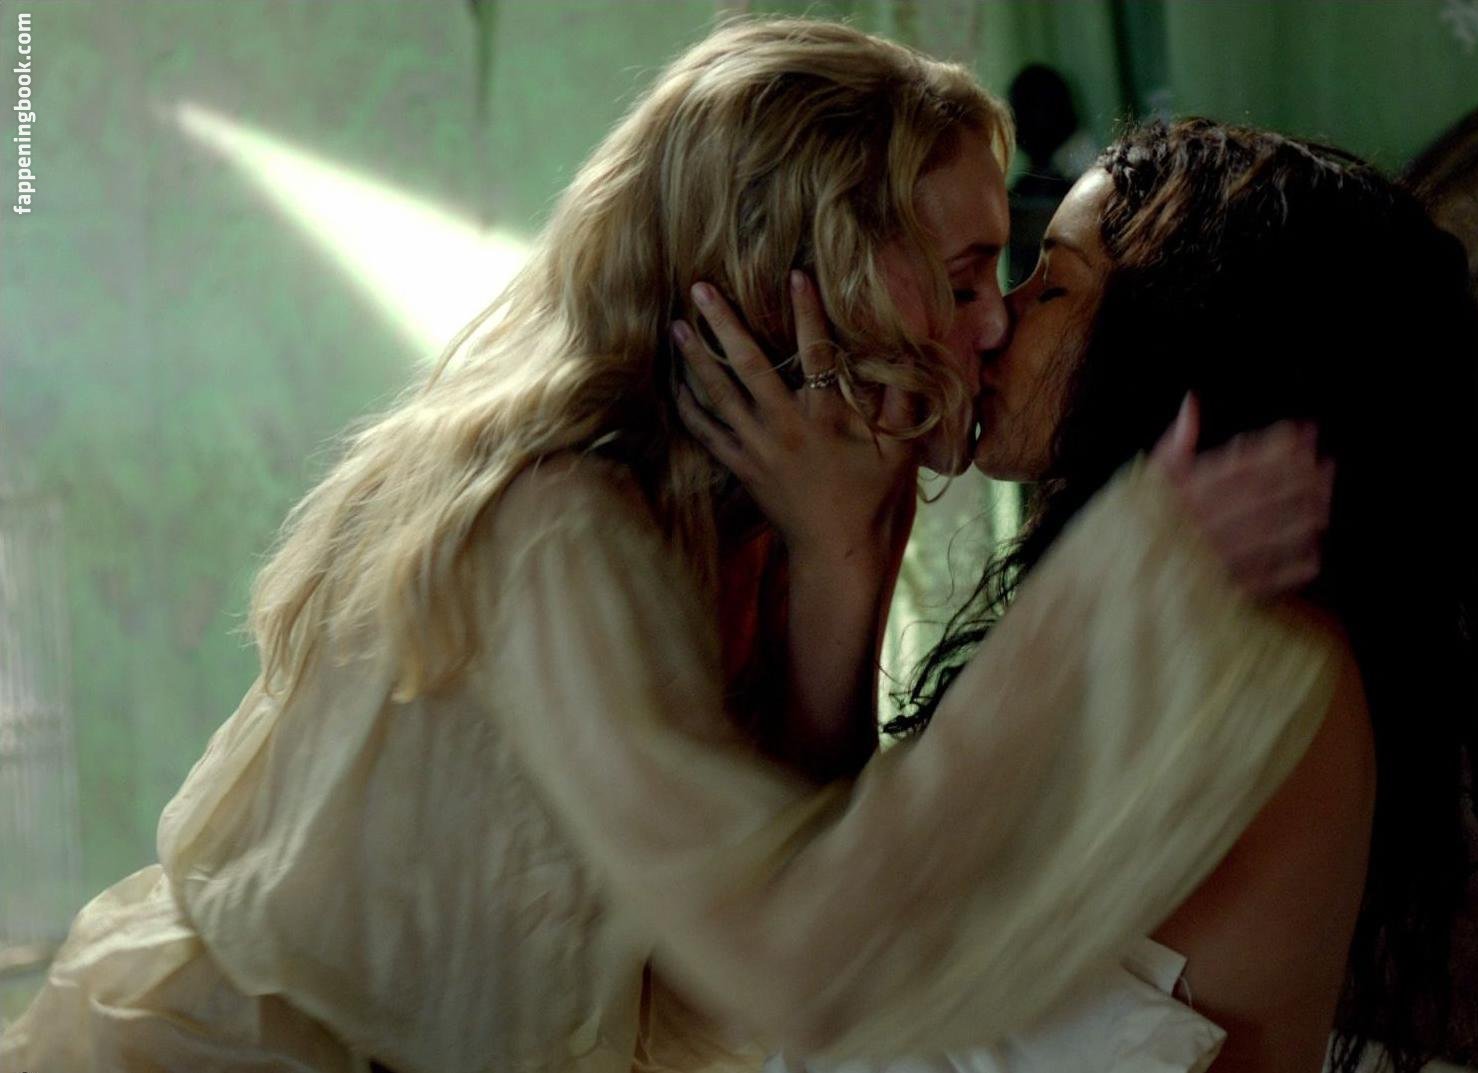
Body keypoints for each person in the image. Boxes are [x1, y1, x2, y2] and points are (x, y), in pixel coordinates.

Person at [1, 20, 1343, 1073]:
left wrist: (843, 568)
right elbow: (784, 964)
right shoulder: (557, 526)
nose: (990, 324)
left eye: (1013, 278)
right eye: (960, 277)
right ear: (800, 273)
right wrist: (1106, 590)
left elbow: (765, 915)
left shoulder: (765, 511)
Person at [692, 118, 1478, 1073]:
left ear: (1181, 346)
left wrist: (845, 548)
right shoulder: (1182, 606)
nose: (995, 322)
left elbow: (828, 948)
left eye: (1050, 284)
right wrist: (853, 548)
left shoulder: (1239, 641)